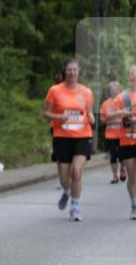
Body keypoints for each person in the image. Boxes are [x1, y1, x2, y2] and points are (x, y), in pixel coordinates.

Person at [43, 59, 95, 221]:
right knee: (64, 177)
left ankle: (75, 207)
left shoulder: (86, 92)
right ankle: (66, 192)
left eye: (75, 70)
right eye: (69, 70)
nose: (72, 73)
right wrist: (59, 117)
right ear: (65, 72)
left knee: (76, 171)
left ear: (79, 72)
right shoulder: (55, 90)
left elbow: (89, 112)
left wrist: (92, 116)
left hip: (82, 136)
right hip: (62, 137)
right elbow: (46, 113)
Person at [111, 64, 136, 221]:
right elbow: (107, 116)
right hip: (126, 141)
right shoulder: (121, 97)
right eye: (131, 73)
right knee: (132, 177)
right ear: (128, 77)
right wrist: (120, 112)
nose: (134, 76)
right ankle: (134, 204)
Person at [99, 81, 127, 184]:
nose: (114, 92)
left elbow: (128, 116)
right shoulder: (106, 103)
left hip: (122, 134)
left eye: (116, 90)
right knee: (113, 156)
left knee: (122, 155)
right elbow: (102, 118)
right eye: (112, 90)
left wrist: (120, 119)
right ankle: (115, 176)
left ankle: (123, 169)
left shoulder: (124, 102)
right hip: (110, 134)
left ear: (120, 91)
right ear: (109, 92)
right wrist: (111, 120)